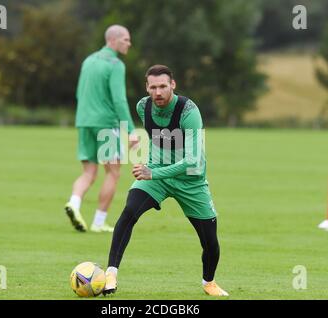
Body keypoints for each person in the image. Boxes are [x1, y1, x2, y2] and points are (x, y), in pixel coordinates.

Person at [102, 65, 229, 297]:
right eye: (153, 87)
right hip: (157, 175)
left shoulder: (189, 111)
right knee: (129, 211)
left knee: (210, 240)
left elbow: (192, 161)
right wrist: (152, 169)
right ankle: (111, 273)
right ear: (147, 87)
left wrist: (153, 173)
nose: (158, 92)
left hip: (190, 180)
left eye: (163, 86)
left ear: (173, 85)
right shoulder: (143, 106)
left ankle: (208, 282)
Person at [65, 25, 138, 233]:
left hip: (83, 121)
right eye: (125, 39)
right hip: (106, 124)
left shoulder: (88, 61)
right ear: (113, 40)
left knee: (88, 172)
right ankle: (99, 222)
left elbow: (80, 93)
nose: (128, 43)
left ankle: (74, 203)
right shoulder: (116, 64)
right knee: (113, 172)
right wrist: (131, 130)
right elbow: (120, 100)